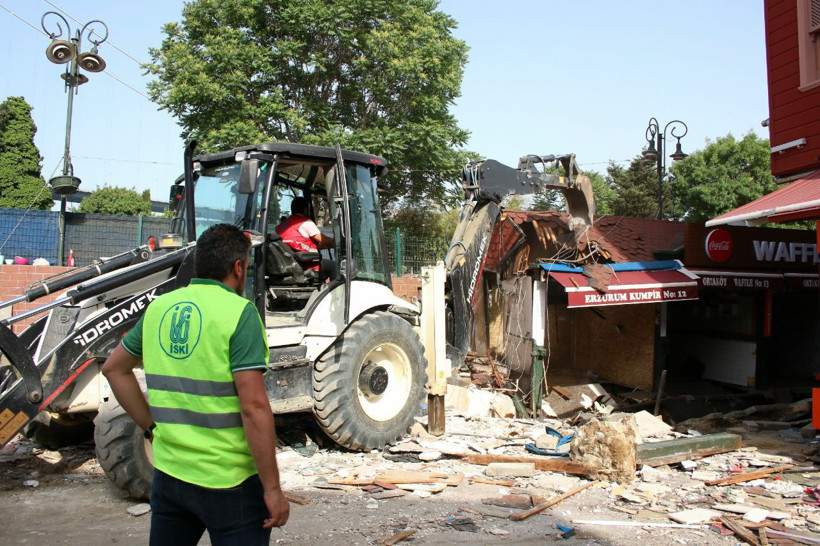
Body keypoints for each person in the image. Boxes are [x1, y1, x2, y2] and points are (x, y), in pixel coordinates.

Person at [102, 223, 289, 546]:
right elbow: (254, 407)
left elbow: (114, 369)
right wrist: (272, 489)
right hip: (230, 484)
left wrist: (150, 427)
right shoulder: (239, 313)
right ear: (239, 267)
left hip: (170, 477)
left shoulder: (159, 307)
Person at [276, 196, 336, 281]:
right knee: (334, 266)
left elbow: (298, 246)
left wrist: (324, 246)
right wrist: (337, 243)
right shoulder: (304, 222)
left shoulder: (283, 225)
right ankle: (335, 293)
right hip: (308, 265)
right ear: (305, 209)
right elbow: (324, 240)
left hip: (291, 265)